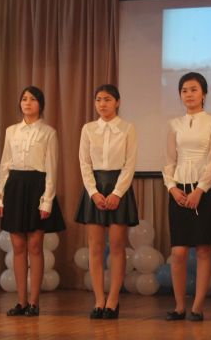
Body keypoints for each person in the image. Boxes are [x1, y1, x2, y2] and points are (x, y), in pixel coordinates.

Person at [0, 86, 66, 317]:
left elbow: (52, 169)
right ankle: (21, 301)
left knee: (35, 246)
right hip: (14, 187)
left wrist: (47, 201)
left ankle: (34, 302)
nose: (27, 103)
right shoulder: (11, 131)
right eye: (24, 99)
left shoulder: (48, 132)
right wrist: (0, 197)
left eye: (33, 99)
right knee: (17, 246)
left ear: (40, 104)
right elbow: (5, 165)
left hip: (37, 187)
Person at [162, 72, 211, 322]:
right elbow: (169, 160)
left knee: (203, 250)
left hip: (206, 191)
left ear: (204, 94)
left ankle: (197, 307)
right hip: (179, 190)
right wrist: (171, 187)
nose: (189, 94)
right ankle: (179, 306)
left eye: (194, 89)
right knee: (178, 252)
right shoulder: (173, 124)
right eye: (184, 90)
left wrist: (200, 190)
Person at [75, 84, 139, 320]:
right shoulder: (88, 129)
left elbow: (130, 164)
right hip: (95, 188)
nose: (102, 104)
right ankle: (99, 300)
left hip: (118, 188)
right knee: (95, 247)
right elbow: (84, 163)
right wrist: (93, 192)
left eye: (108, 99)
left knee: (118, 246)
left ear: (117, 102)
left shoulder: (128, 128)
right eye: (99, 99)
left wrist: (117, 193)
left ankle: (113, 300)